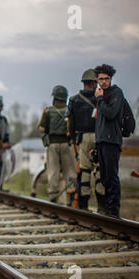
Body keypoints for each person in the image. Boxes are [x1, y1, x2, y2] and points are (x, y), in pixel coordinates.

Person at [66, 69, 105, 210]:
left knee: (84, 171)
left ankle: (83, 204)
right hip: (100, 137)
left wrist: (73, 139)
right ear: (94, 83)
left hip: (82, 138)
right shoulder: (101, 99)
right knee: (101, 170)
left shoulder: (74, 100)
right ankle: (102, 205)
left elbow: (70, 123)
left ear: (84, 83)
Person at [93, 64, 125, 217]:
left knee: (112, 177)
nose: (104, 82)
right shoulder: (100, 94)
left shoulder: (116, 93)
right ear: (97, 80)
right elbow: (98, 121)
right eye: (101, 79)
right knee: (104, 178)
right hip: (102, 141)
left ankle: (113, 212)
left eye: (106, 79)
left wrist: (99, 99)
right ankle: (107, 210)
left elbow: (111, 113)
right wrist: (96, 142)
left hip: (112, 141)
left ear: (111, 78)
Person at [38, 86, 76, 204]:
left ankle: (53, 196)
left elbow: (41, 128)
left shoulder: (48, 111)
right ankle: (71, 194)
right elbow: (73, 127)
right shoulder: (70, 110)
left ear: (54, 97)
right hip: (67, 144)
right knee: (69, 171)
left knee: (53, 171)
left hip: (53, 145)